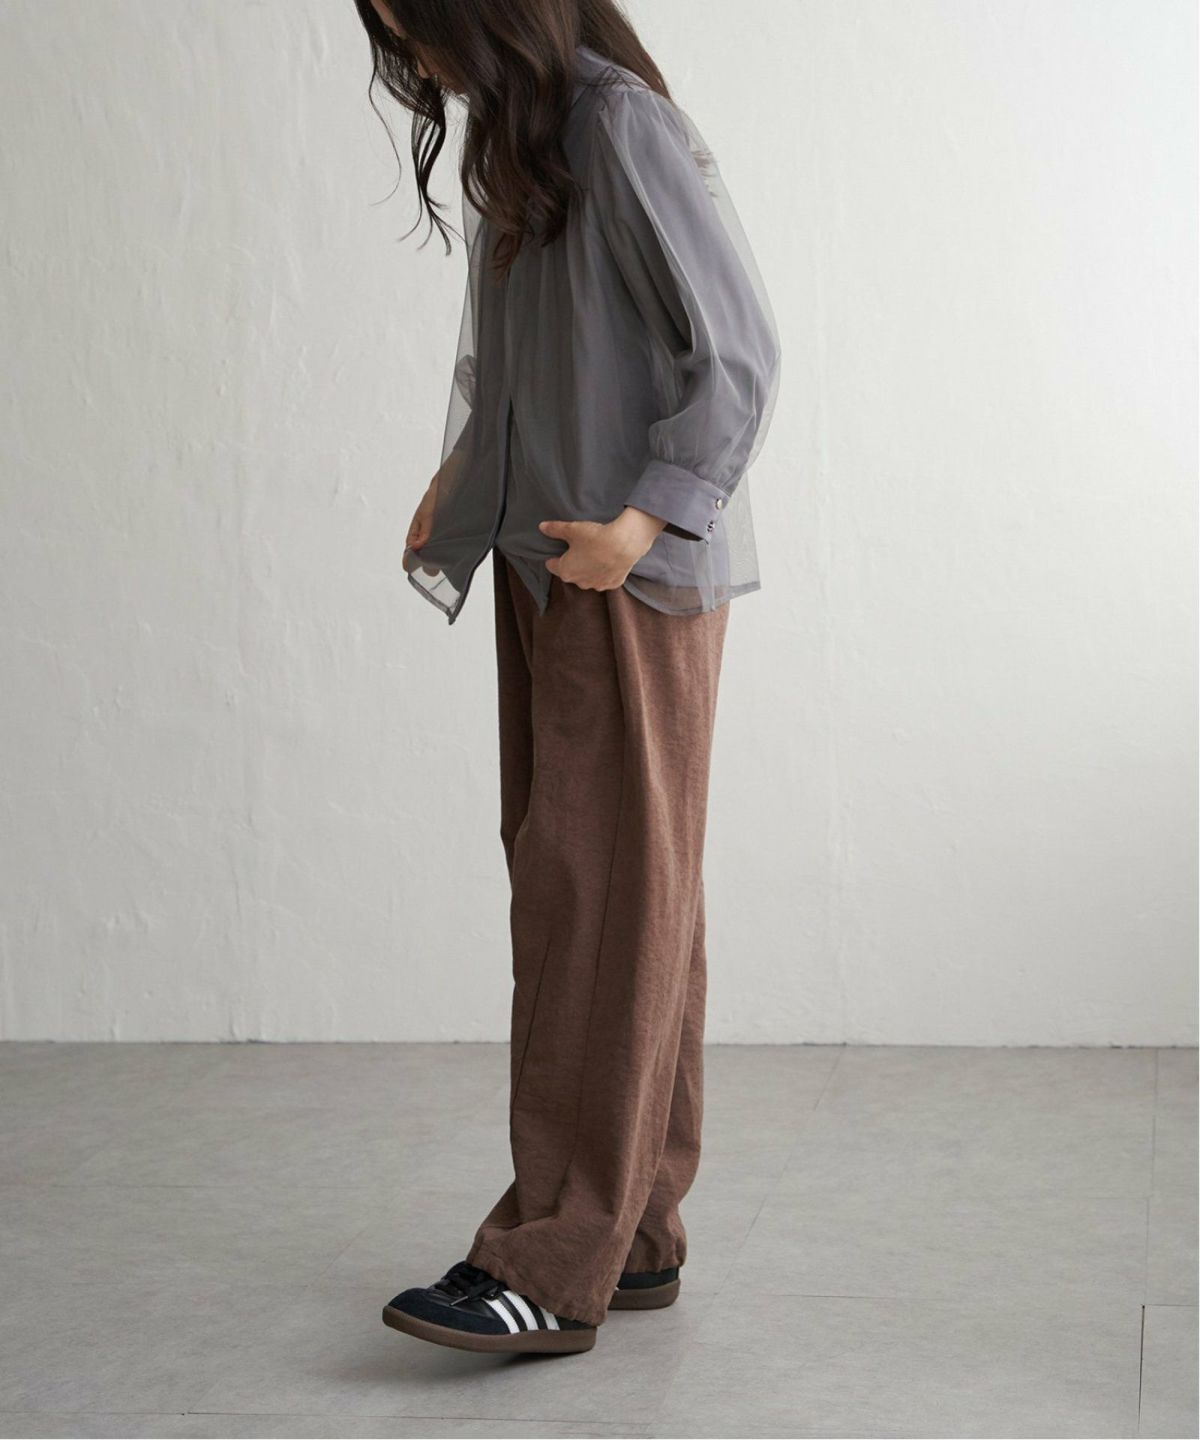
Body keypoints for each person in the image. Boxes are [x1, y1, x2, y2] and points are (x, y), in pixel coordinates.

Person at [354, 0, 781, 1356]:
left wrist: (643, 524)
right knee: (618, 900)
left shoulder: (619, 126)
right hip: (551, 566)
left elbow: (738, 349)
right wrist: (459, 483)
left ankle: (547, 1259)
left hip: (617, 578)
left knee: (592, 900)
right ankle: (633, 1228)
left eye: (416, 26)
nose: (414, 59)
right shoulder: (530, 137)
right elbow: (522, 363)